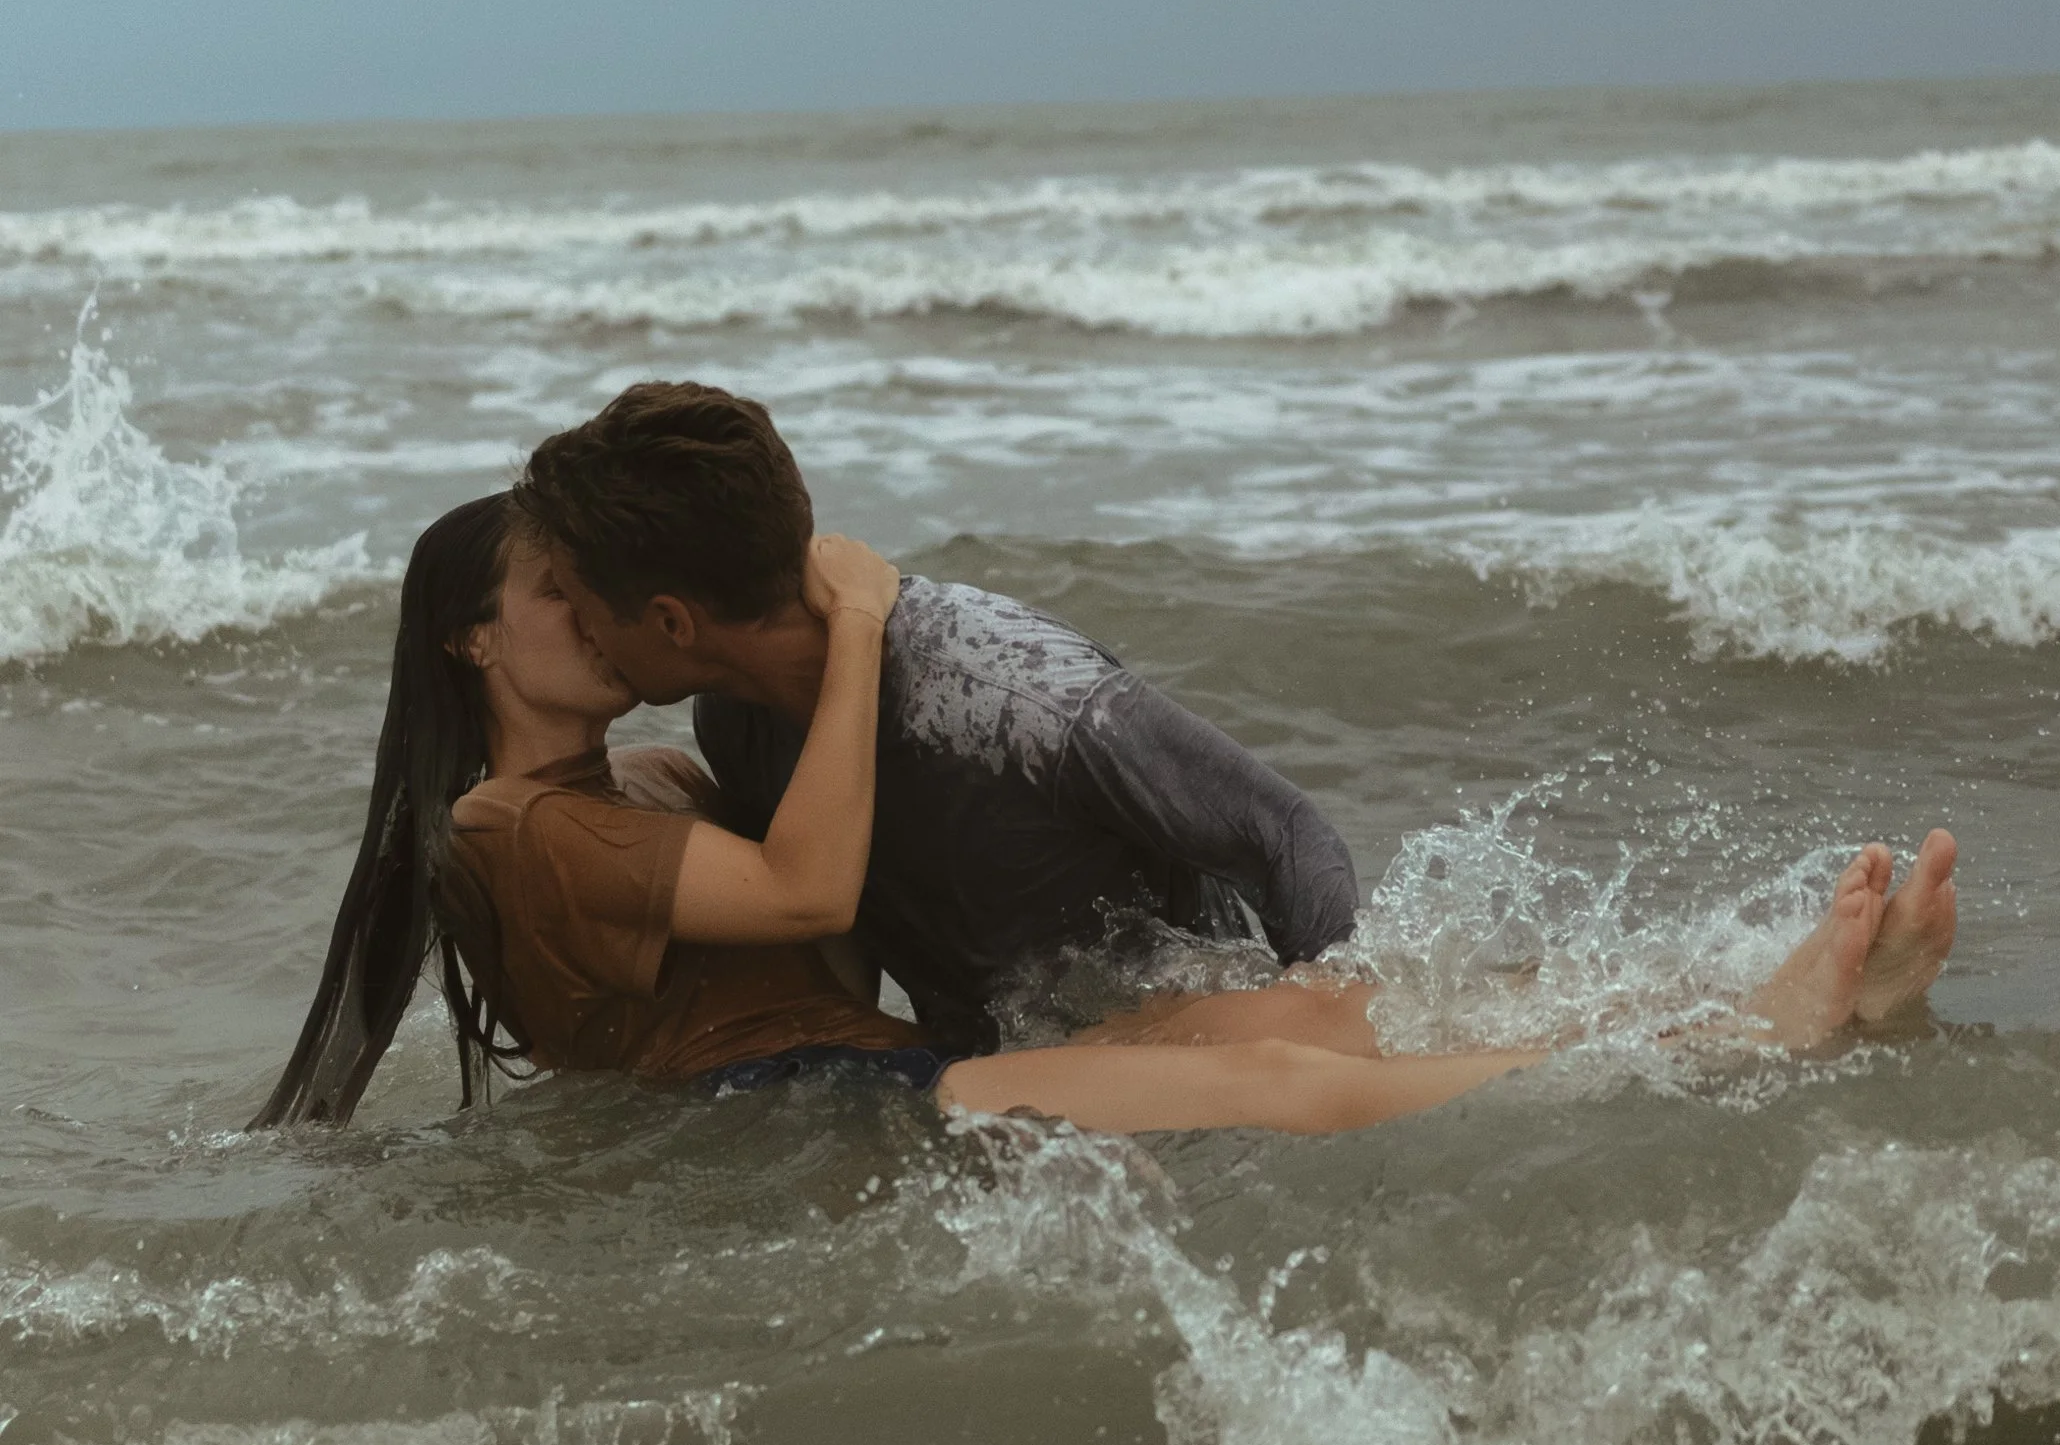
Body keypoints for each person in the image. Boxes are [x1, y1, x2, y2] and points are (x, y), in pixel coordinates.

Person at [254, 495, 1959, 1139]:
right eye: (558, 593)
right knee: (1287, 1079)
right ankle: (1762, 1040)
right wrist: (859, 627)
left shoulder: (655, 781)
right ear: (473, 639)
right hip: (807, 1113)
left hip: (878, 1075)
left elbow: (837, 947)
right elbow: (811, 897)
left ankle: (1769, 995)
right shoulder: (509, 827)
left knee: (1312, 1014)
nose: (600, 610)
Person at [512, 381, 1361, 1054]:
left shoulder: (1011, 694)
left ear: (671, 621)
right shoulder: (733, 724)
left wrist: (1337, 1036)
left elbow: (1285, 832)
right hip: (1011, 1097)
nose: (580, 631)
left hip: (1202, 1068)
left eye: (580, 604)